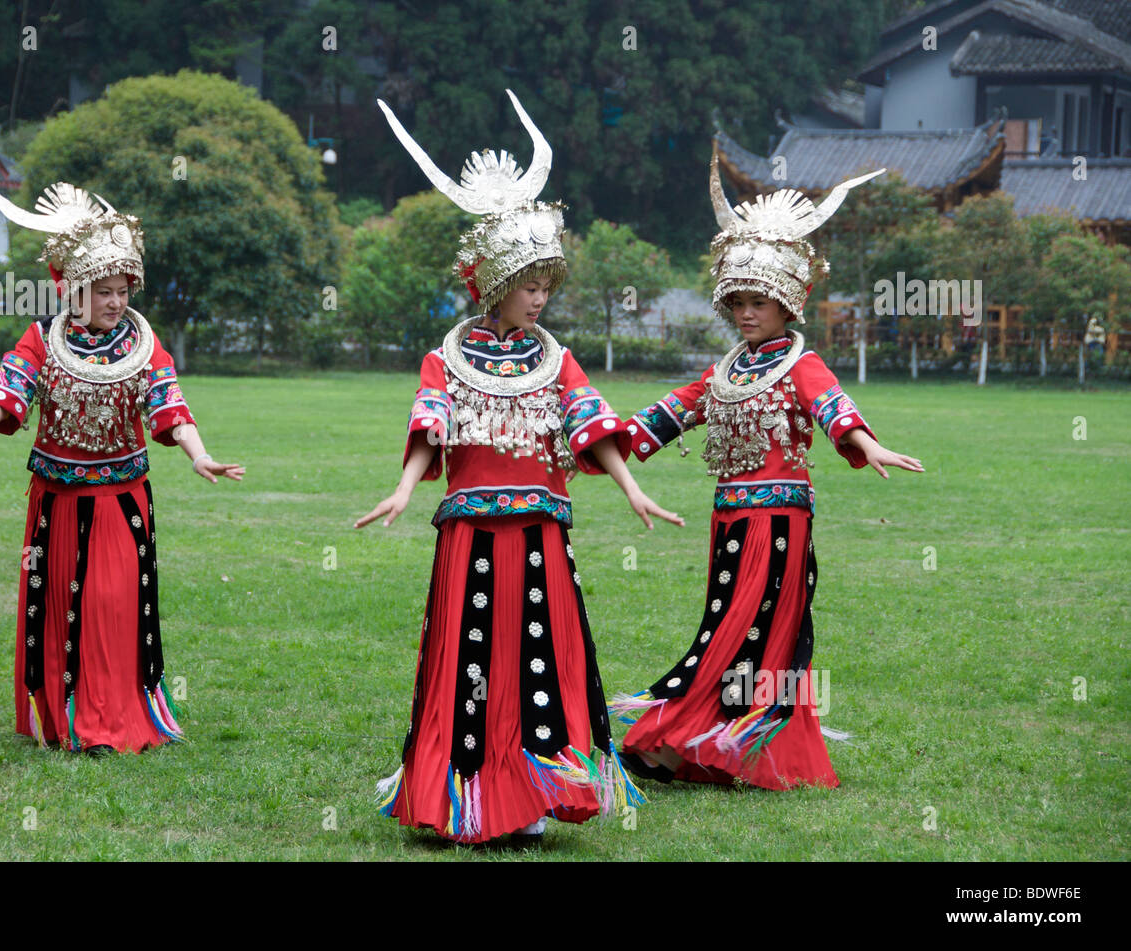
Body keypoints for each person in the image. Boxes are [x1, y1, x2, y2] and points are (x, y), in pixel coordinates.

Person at [358, 91, 681, 843]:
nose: (539, 299)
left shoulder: (554, 356)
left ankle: (534, 790)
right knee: (473, 660)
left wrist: (634, 487)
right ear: (497, 285)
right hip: (471, 533)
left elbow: (591, 423)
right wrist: (405, 488)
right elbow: (429, 424)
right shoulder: (448, 355)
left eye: (546, 287)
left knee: (537, 658)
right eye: (529, 287)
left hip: (539, 533)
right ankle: (464, 791)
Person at [609, 156, 923, 790]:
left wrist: (870, 445)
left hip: (779, 521)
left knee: (754, 630)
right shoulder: (725, 370)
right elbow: (668, 414)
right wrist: (596, 442)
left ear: (786, 304)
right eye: (738, 303)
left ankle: (694, 741)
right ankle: (710, 743)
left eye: (759, 303)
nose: (746, 314)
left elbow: (833, 408)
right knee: (724, 623)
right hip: (729, 520)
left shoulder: (799, 364)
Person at [0, 151, 244, 755]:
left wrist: (199, 456)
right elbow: (11, 386)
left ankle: (121, 715)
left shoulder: (144, 341)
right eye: (103, 290)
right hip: (55, 498)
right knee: (61, 605)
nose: (115, 301)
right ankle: (69, 717)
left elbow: (171, 407)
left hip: (121, 498)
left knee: (113, 601)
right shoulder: (42, 339)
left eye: (123, 289)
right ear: (75, 289)